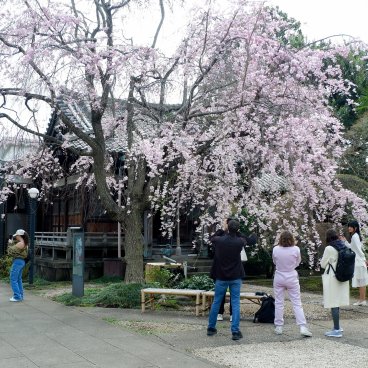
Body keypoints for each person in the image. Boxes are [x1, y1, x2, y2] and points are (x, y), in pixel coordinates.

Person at [207, 219, 245, 340]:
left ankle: (211, 328)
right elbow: (244, 239)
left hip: (221, 276)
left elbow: (212, 237)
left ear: (228, 227)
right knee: (235, 302)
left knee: (217, 301)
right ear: (237, 229)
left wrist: (223, 229)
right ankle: (235, 331)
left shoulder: (219, 241)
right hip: (235, 276)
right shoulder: (239, 242)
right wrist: (237, 232)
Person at [272, 230, 312, 337]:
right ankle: (302, 326)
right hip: (291, 276)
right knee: (297, 303)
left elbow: (274, 262)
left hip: (279, 276)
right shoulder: (296, 249)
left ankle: (279, 326)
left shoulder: (275, 249)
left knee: (279, 303)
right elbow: (297, 262)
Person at [320, 229, 349, 337]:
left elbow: (323, 264)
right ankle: (337, 326)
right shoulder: (343, 245)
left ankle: (336, 329)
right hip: (342, 276)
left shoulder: (329, 248)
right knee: (336, 302)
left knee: (333, 303)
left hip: (332, 277)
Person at [341, 220, 368, 306]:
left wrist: (364, 259)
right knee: (361, 281)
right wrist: (345, 241)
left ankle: (362, 300)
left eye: (351, 227)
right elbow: (353, 248)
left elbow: (358, 250)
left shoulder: (355, 237)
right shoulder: (356, 236)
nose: (349, 228)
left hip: (359, 262)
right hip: (359, 261)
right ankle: (361, 300)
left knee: (361, 281)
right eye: (348, 226)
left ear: (355, 228)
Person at [7, 229, 29, 302]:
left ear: (19, 235)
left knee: (13, 279)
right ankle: (20, 296)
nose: (15, 237)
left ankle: (17, 296)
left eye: (16, 236)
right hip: (21, 262)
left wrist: (10, 243)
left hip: (17, 262)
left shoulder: (20, 243)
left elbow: (10, 252)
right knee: (18, 279)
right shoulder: (25, 243)